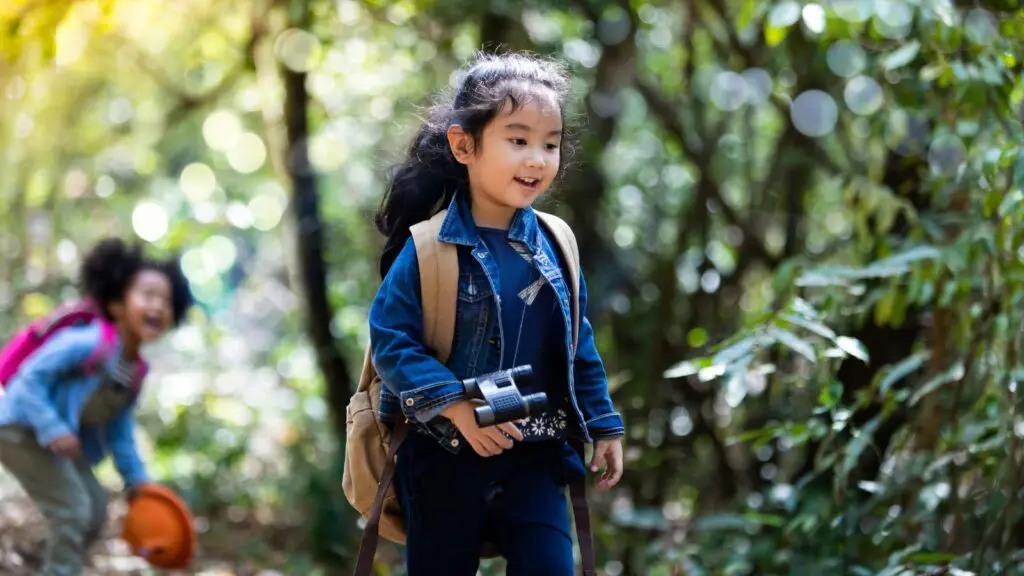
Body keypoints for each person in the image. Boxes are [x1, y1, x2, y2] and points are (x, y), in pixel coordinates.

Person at [369, 51, 625, 575]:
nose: (537, 158)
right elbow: (391, 340)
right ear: (464, 144)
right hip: (445, 456)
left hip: (537, 453)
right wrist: (456, 408)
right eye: (518, 140)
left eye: (549, 144)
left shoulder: (557, 242)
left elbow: (577, 342)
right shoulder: (429, 248)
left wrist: (604, 424)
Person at [0, 237, 193, 576]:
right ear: (118, 303)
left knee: (96, 509)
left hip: (50, 438)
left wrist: (140, 485)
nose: (159, 306)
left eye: (167, 300)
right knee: (73, 509)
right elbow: (27, 381)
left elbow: (120, 434)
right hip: (17, 427)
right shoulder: (87, 342)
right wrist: (53, 428)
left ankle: (51, 561)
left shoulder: (133, 372)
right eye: (148, 295)